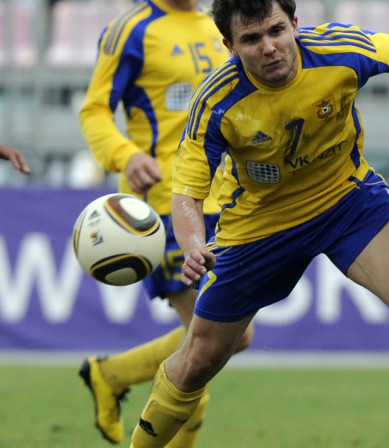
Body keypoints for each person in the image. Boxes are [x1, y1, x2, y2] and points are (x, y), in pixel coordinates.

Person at [128, 0, 389, 447]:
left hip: (348, 200)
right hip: (258, 227)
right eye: (252, 40)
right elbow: (187, 193)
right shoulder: (216, 101)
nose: (269, 47)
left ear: (294, 24)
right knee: (198, 360)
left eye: (276, 31)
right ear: (229, 45)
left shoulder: (338, 50)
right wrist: (194, 244)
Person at [78, 0, 254, 444]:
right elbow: (94, 110)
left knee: (233, 336)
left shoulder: (221, 22)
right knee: (205, 348)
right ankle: (111, 377)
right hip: (162, 205)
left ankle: (111, 373)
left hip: (224, 201)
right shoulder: (132, 30)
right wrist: (126, 155)